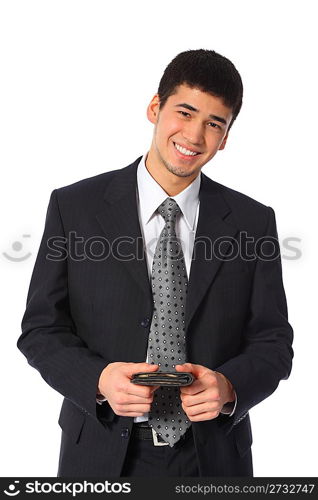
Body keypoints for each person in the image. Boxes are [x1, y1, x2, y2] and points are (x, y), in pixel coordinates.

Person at [18, 49, 293, 477]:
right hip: (100, 447)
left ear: (226, 137)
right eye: (185, 112)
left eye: (214, 124)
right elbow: (40, 328)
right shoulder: (74, 207)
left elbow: (273, 342)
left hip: (212, 455)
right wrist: (97, 380)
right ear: (155, 108)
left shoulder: (253, 221)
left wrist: (229, 387)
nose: (195, 136)